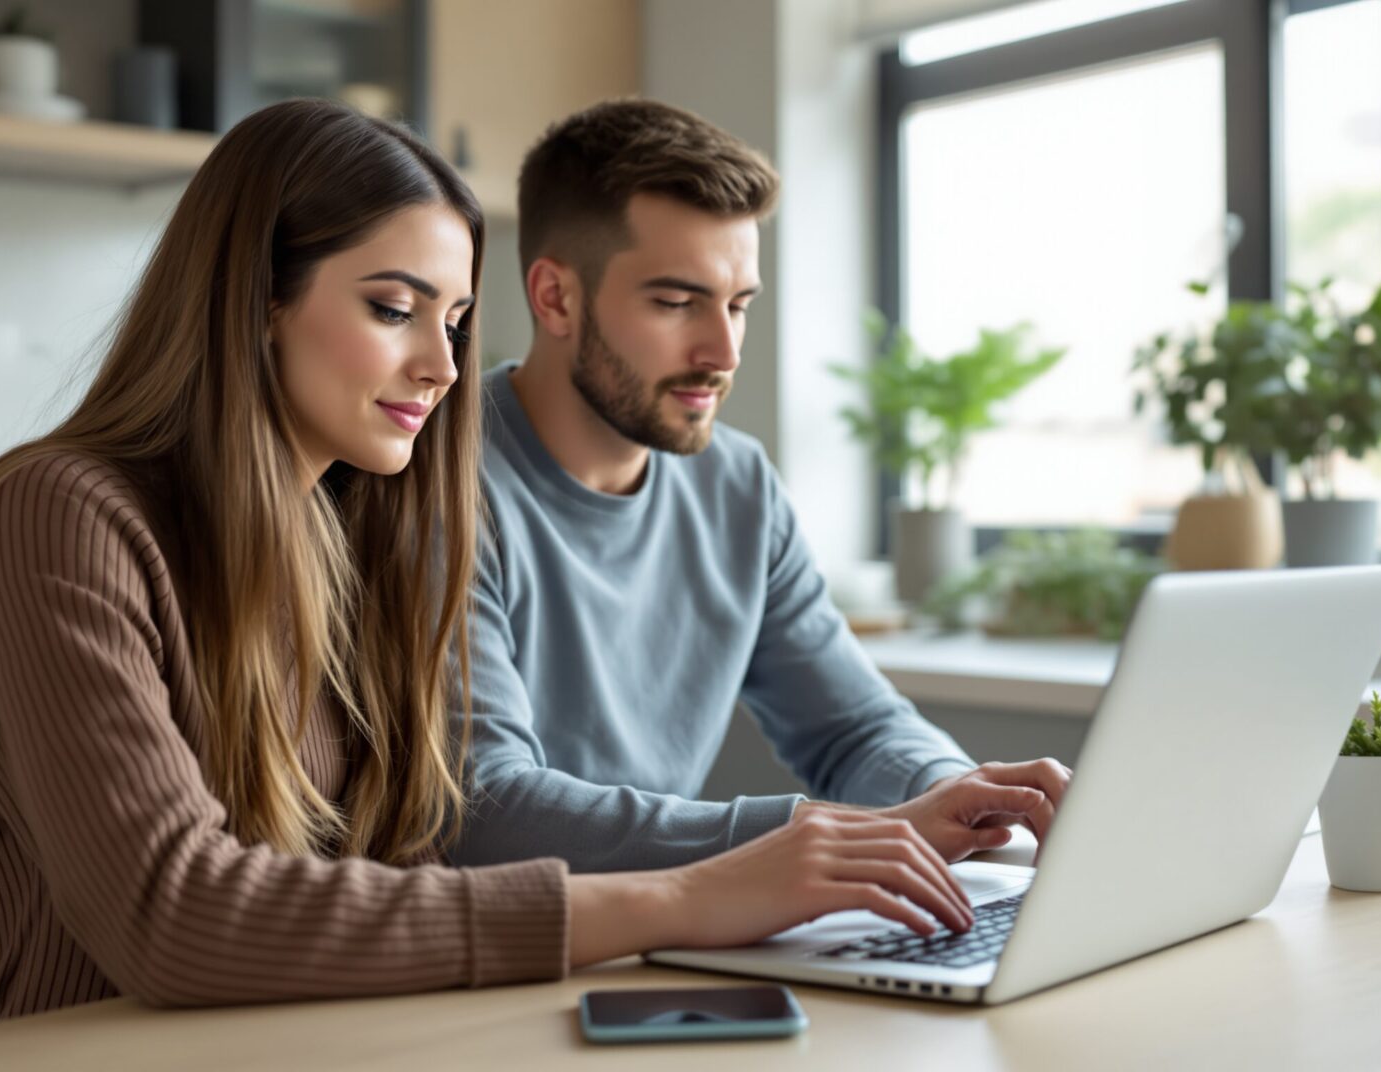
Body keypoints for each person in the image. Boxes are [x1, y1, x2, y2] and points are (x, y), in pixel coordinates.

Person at [0, 99, 980, 1038]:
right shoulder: (62, 516)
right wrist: (689, 895)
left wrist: (928, 818)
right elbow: (178, 914)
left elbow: (403, 860)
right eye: (393, 308)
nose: (444, 364)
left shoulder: (338, 525)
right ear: (255, 301)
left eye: (455, 320)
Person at [449, 99, 1072, 875]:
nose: (723, 349)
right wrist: (820, 841)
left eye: (739, 304)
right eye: (677, 303)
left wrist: (960, 795)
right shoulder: (438, 484)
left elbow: (854, 728)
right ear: (556, 298)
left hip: (672, 944)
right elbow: (489, 809)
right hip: (511, 950)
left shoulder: (736, 485)